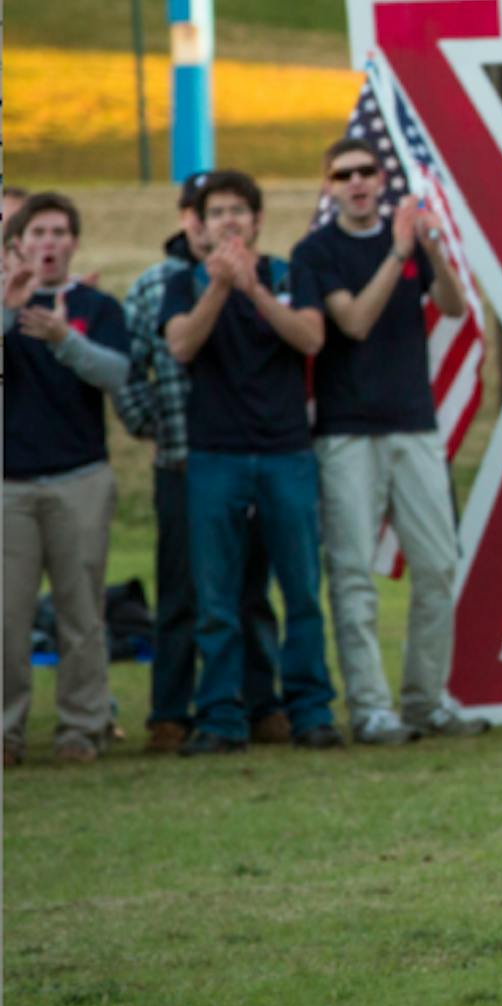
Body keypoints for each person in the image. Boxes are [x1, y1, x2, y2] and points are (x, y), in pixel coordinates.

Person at [289, 138, 487, 743]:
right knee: (352, 572)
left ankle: (427, 699)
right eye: (343, 175)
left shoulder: (409, 241)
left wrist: (430, 248)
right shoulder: (315, 252)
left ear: (382, 180)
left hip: (415, 423)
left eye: (366, 172)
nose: (356, 183)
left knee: (438, 565)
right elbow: (352, 321)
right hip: (347, 432)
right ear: (328, 186)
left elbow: (452, 306)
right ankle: (372, 707)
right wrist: (397, 252)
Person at [159, 171, 343, 755]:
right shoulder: (184, 283)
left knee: (301, 591)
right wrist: (219, 287)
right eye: (218, 213)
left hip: (286, 452)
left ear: (258, 220)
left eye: (240, 211)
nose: (230, 221)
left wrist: (255, 291)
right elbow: (182, 345)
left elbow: (311, 338)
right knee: (217, 599)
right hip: (215, 456)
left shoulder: (289, 275)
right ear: (201, 224)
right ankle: (220, 717)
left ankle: (310, 709)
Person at [116, 173, 288, 753]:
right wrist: (152, 427)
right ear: (189, 218)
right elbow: (131, 369)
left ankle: (261, 702)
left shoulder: (263, 278)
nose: (209, 222)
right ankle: (170, 709)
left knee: (250, 592)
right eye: (198, 211)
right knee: (183, 594)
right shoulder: (156, 287)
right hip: (180, 462)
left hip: (247, 452)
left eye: (224, 210)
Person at [3, 193, 128, 767]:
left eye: (59, 233)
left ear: (73, 243)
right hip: (11, 485)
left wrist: (63, 339)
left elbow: (118, 373)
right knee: (9, 615)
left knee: (82, 612)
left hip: (80, 477)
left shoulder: (96, 307)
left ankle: (83, 726)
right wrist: (9, 312)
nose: (48, 243)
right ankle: (7, 731)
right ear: (17, 244)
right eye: (38, 233)